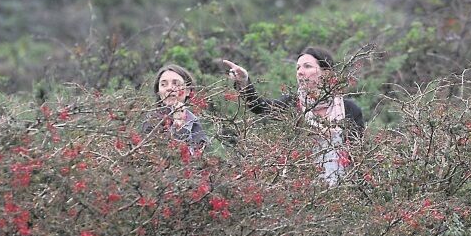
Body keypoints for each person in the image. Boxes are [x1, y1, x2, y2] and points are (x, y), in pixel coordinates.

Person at [223, 46, 363, 185]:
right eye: (298, 68)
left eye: (307, 66)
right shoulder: (291, 104)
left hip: (342, 189)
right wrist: (244, 82)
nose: (300, 72)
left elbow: (358, 156)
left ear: (326, 73)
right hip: (300, 188)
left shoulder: (349, 109)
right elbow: (259, 107)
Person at [142, 64, 208, 150]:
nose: (169, 88)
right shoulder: (151, 119)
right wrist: (178, 125)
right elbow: (168, 156)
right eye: (163, 84)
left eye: (176, 84)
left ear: (188, 91)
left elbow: (197, 157)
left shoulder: (193, 120)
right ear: (158, 91)